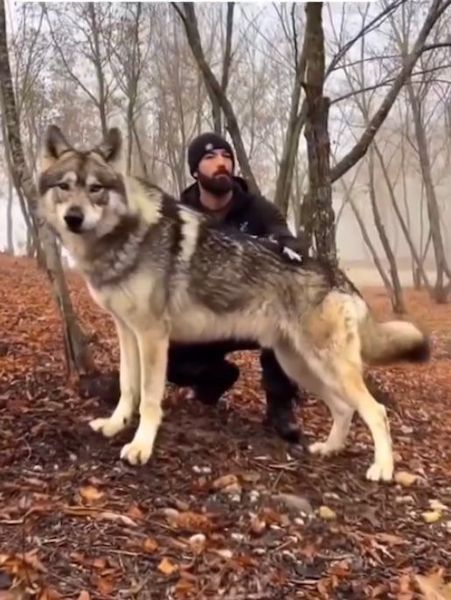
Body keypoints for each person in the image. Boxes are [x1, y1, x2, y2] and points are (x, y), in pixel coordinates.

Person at [165, 132, 307, 443]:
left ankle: (280, 406)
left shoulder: (257, 208)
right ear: (195, 171)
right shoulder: (180, 215)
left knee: (282, 320)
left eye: (226, 157)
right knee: (163, 349)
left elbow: (284, 235)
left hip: (250, 315)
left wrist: (285, 245)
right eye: (210, 158)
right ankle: (214, 379)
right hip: (204, 315)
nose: (221, 164)